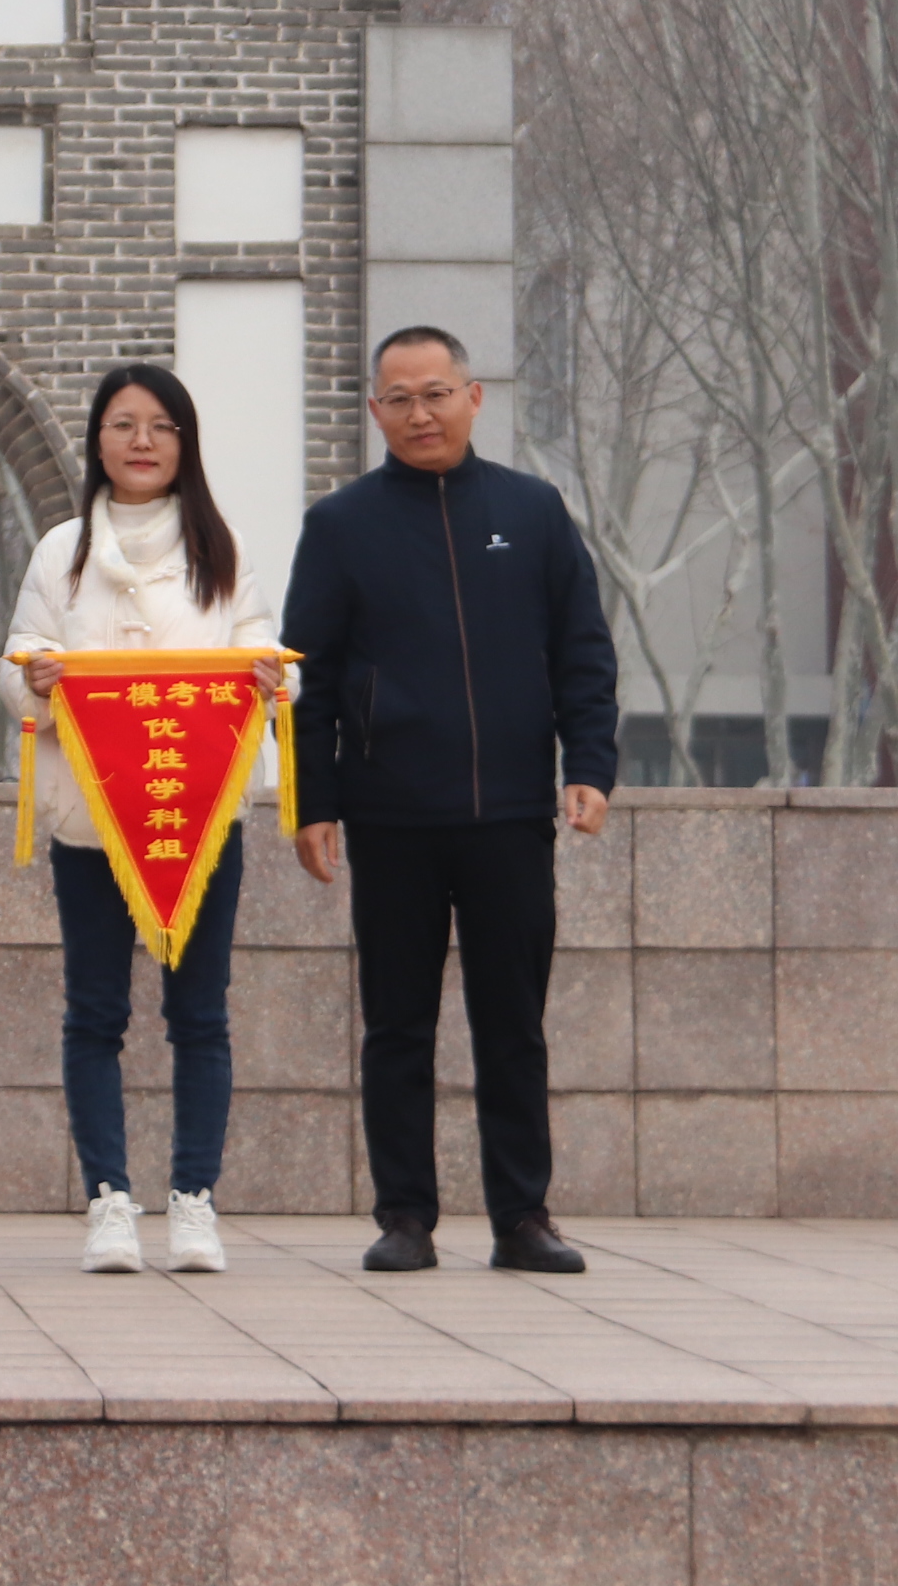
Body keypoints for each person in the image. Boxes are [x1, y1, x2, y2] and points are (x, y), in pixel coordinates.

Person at [281, 325, 617, 1275]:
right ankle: (405, 1217)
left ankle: (523, 1218)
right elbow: (308, 676)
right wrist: (313, 801)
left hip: (511, 814)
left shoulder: (532, 510)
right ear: (375, 411)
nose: (419, 413)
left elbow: (582, 650)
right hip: (390, 816)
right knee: (397, 1028)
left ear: (474, 397)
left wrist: (590, 764)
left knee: (513, 1025)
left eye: (436, 393)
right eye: (400, 398)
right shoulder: (341, 525)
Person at [0, 363, 282, 1277]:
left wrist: (270, 679)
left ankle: (194, 1199)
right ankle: (109, 1201)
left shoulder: (221, 547)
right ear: (98, 441)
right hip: (90, 820)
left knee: (199, 1015)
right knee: (95, 1013)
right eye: (123, 424)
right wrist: (37, 679)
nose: (142, 441)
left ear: (184, 442)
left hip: (199, 817)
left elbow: (264, 655)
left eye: (161, 425)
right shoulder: (62, 551)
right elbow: (17, 664)